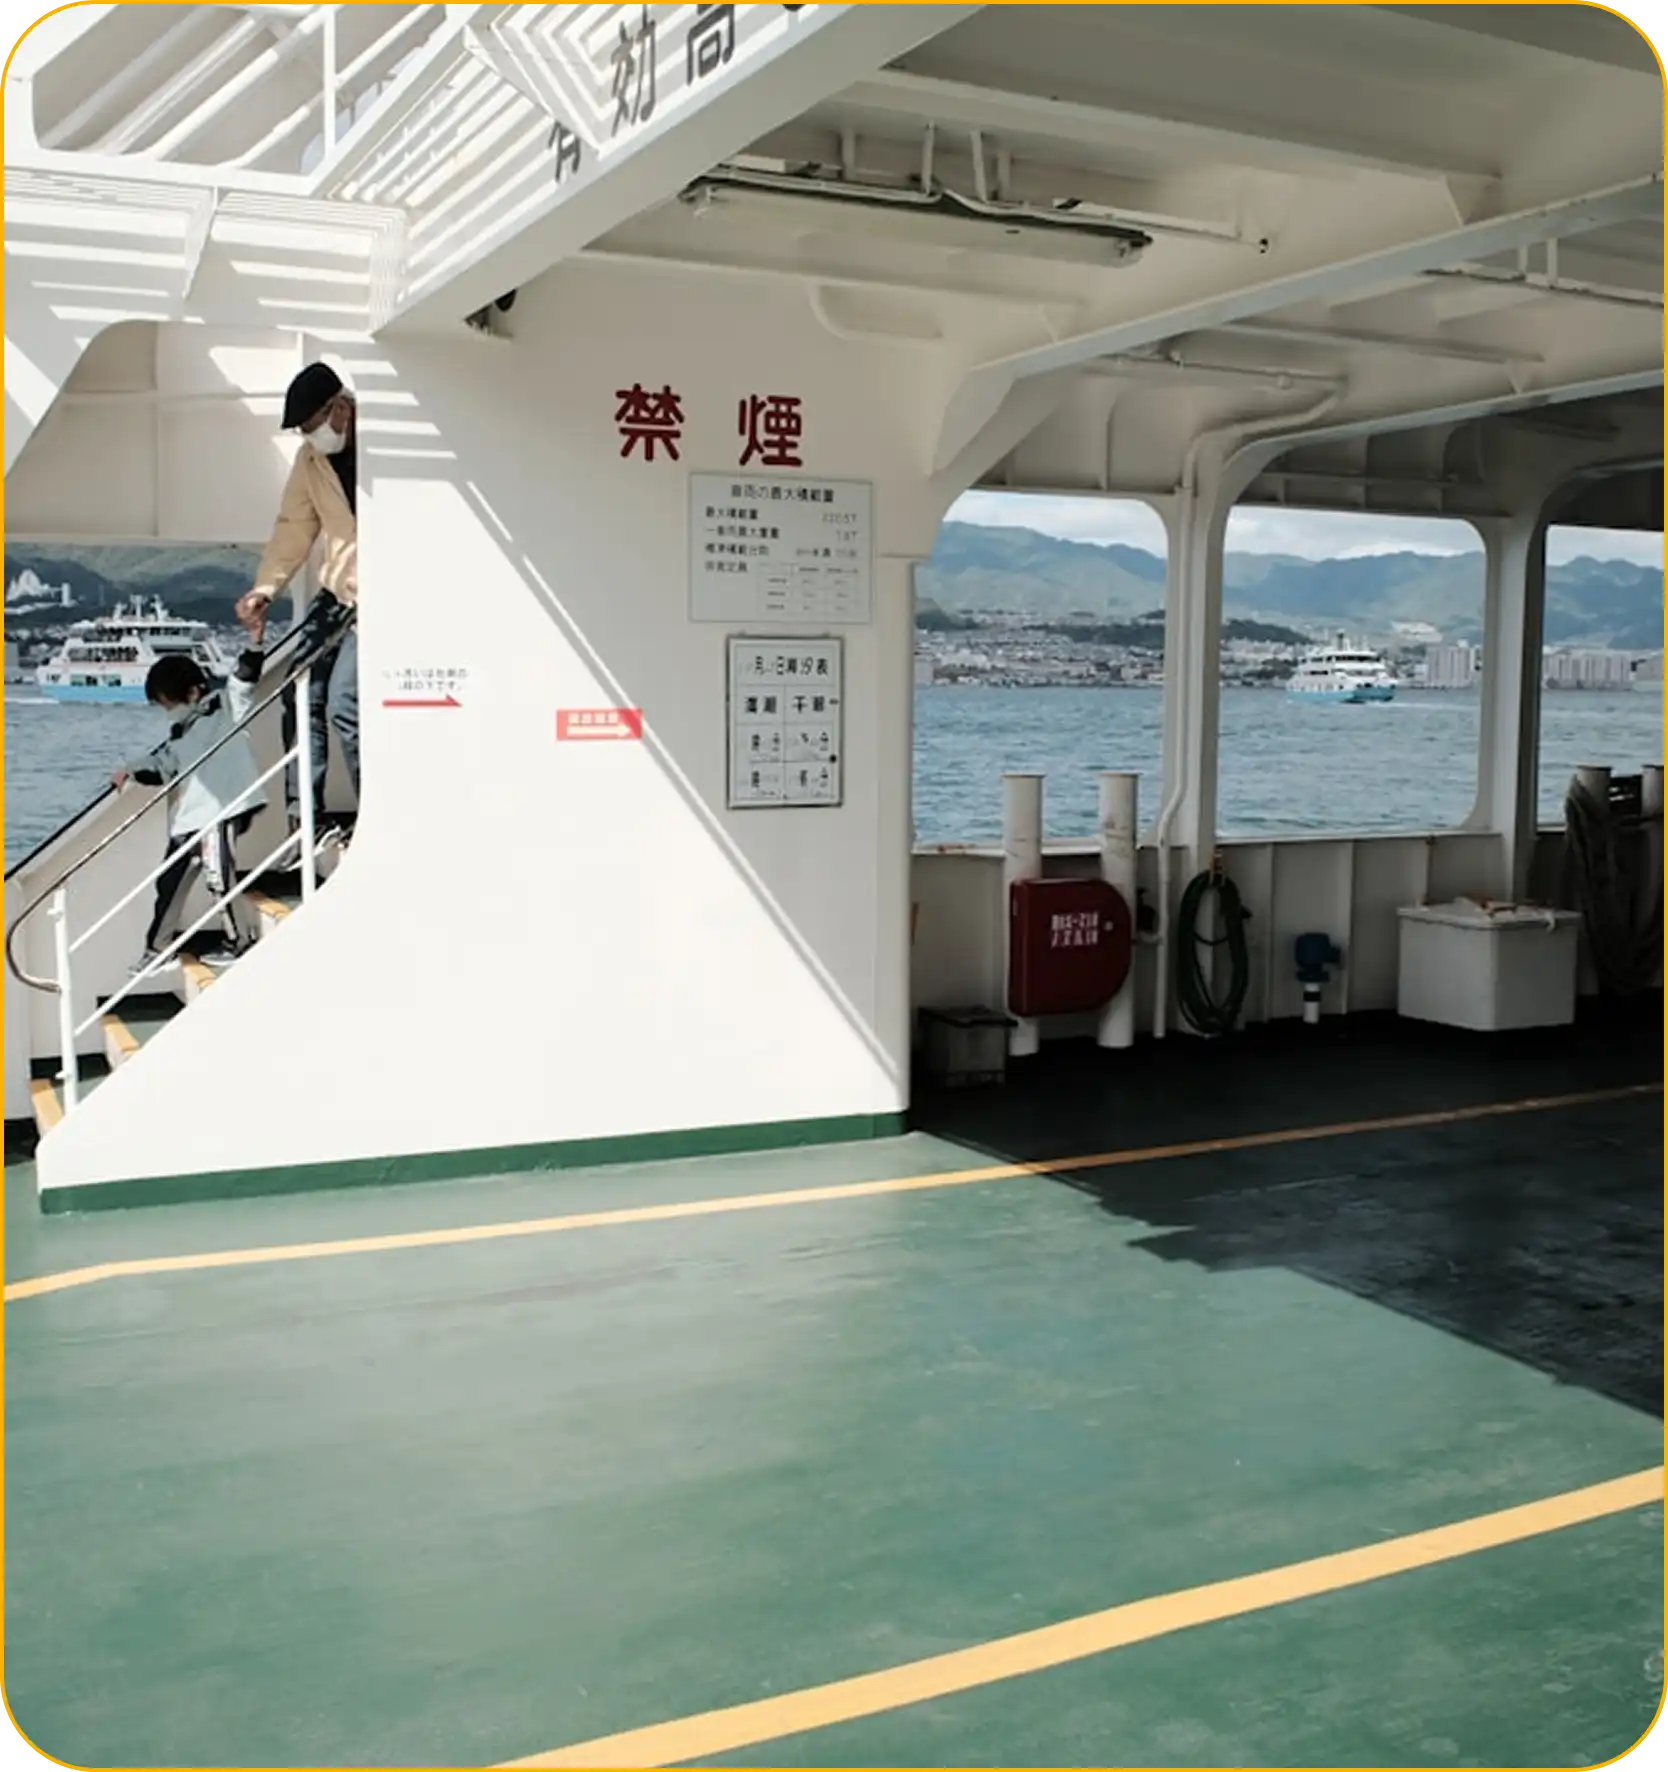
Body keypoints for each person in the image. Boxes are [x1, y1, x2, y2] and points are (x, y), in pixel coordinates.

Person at [238, 360, 359, 838]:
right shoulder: (311, 462)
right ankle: (305, 817)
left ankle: (375, 812)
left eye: (312, 425)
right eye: (304, 430)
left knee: (346, 702)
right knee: (300, 689)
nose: (310, 437)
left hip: (386, 598)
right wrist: (265, 588)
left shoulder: (384, 447)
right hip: (340, 591)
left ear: (340, 408)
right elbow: (294, 528)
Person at [115, 602, 269, 977]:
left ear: (194, 691)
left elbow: (245, 676)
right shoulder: (179, 734)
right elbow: (162, 766)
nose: (168, 711)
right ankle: (157, 949)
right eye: (162, 706)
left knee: (218, 874)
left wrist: (255, 639)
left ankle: (240, 941)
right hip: (191, 817)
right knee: (169, 882)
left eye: (170, 703)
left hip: (225, 807)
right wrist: (129, 771)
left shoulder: (226, 707)